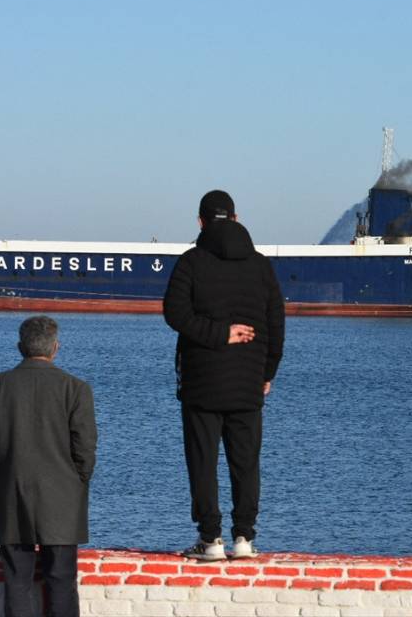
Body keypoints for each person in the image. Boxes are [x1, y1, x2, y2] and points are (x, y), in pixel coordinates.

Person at [163, 189, 285, 561]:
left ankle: (210, 539)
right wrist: (267, 372)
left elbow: (174, 314)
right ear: (235, 217)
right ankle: (244, 537)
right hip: (248, 381)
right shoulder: (261, 265)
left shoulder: (191, 262)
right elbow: (275, 324)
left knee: (203, 461)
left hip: (201, 382)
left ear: (200, 221)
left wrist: (218, 334)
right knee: (245, 462)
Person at [0, 316, 97, 617]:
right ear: (56, 348)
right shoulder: (76, 388)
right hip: (63, 498)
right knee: (62, 581)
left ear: (20, 347)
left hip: (11, 494)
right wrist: (76, 483)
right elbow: (85, 449)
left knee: (17, 581)